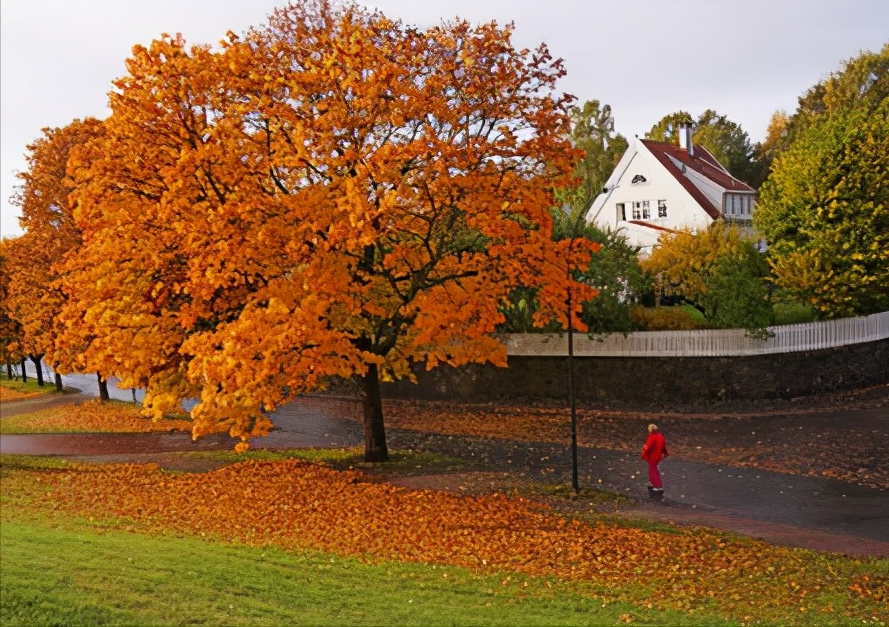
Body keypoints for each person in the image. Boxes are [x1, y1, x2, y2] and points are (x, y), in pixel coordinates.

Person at [641, 423, 669, 494]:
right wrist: (665, 453)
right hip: (659, 456)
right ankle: (652, 482)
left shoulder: (652, 437)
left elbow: (647, 447)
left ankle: (658, 486)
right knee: (655, 469)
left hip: (653, 456)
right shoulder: (660, 436)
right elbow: (664, 447)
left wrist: (643, 453)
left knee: (652, 471)